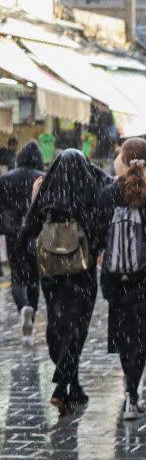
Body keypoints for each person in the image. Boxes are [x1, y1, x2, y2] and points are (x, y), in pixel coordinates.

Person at [19, 149, 105, 415]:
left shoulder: (47, 194)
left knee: (57, 328)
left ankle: (73, 386)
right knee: (77, 329)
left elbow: (27, 231)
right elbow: (99, 232)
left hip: (52, 273)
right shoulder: (90, 193)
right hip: (83, 272)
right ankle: (62, 387)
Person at [97, 138, 146, 420]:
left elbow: (98, 233)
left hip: (116, 278)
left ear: (122, 159)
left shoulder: (108, 193)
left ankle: (128, 392)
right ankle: (132, 393)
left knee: (123, 332)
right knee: (140, 336)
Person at [0, 141, 44, 345]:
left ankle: (22, 307)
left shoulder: (5, 179)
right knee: (34, 278)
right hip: (36, 234)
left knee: (17, 276)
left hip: (13, 234)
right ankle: (31, 319)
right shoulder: (42, 178)